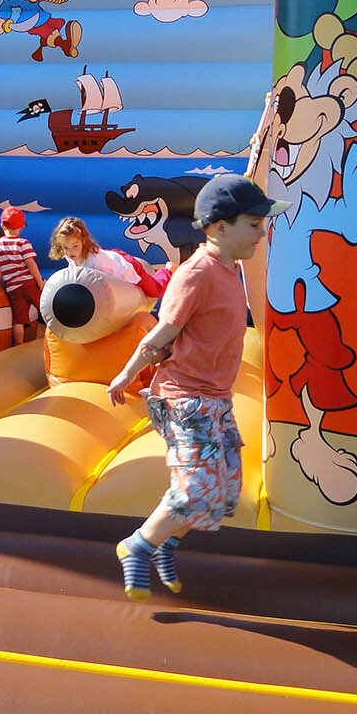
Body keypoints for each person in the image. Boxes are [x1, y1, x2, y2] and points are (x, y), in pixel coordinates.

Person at [105, 174, 288, 601]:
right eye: (254, 224)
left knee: (223, 494)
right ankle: (138, 545)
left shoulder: (230, 269)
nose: (262, 232)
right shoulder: (196, 274)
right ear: (220, 227)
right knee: (194, 490)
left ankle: (167, 544)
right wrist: (128, 373)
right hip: (185, 398)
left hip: (215, 398)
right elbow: (163, 332)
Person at [0, 206, 44, 345]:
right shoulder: (23, 243)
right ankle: (58, 335)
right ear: (21, 227)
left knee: (18, 319)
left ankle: (19, 344)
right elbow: (30, 264)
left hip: (13, 289)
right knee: (45, 309)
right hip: (28, 284)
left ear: (2, 225)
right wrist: (40, 283)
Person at [48, 216, 145, 284]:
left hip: (125, 265)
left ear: (83, 241)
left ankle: (161, 271)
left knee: (155, 290)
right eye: (66, 247)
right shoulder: (72, 255)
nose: (71, 251)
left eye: (75, 246)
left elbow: (105, 283)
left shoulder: (94, 261)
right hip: (110, 255)